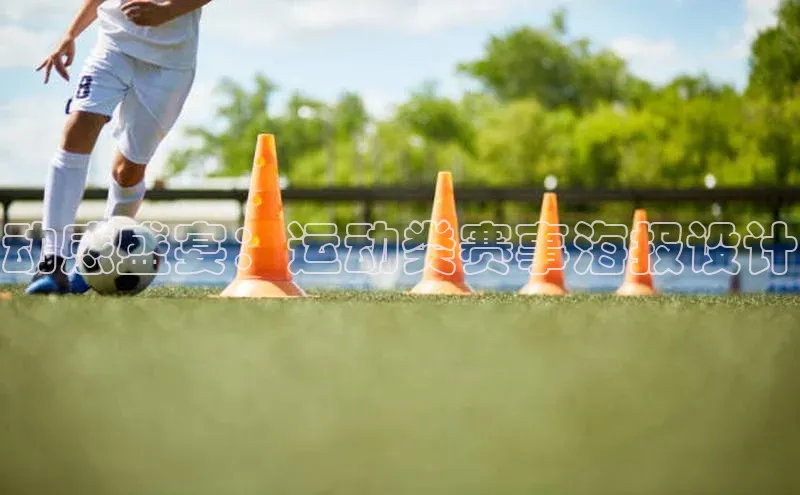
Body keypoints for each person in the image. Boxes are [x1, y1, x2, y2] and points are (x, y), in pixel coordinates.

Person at [27, 0, 212, 295]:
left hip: (171, 63)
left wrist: (167, 11)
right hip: (113, 45)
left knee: (127, 170)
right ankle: (52, 262)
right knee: (78, 127)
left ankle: (94, 269)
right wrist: (70, 34)